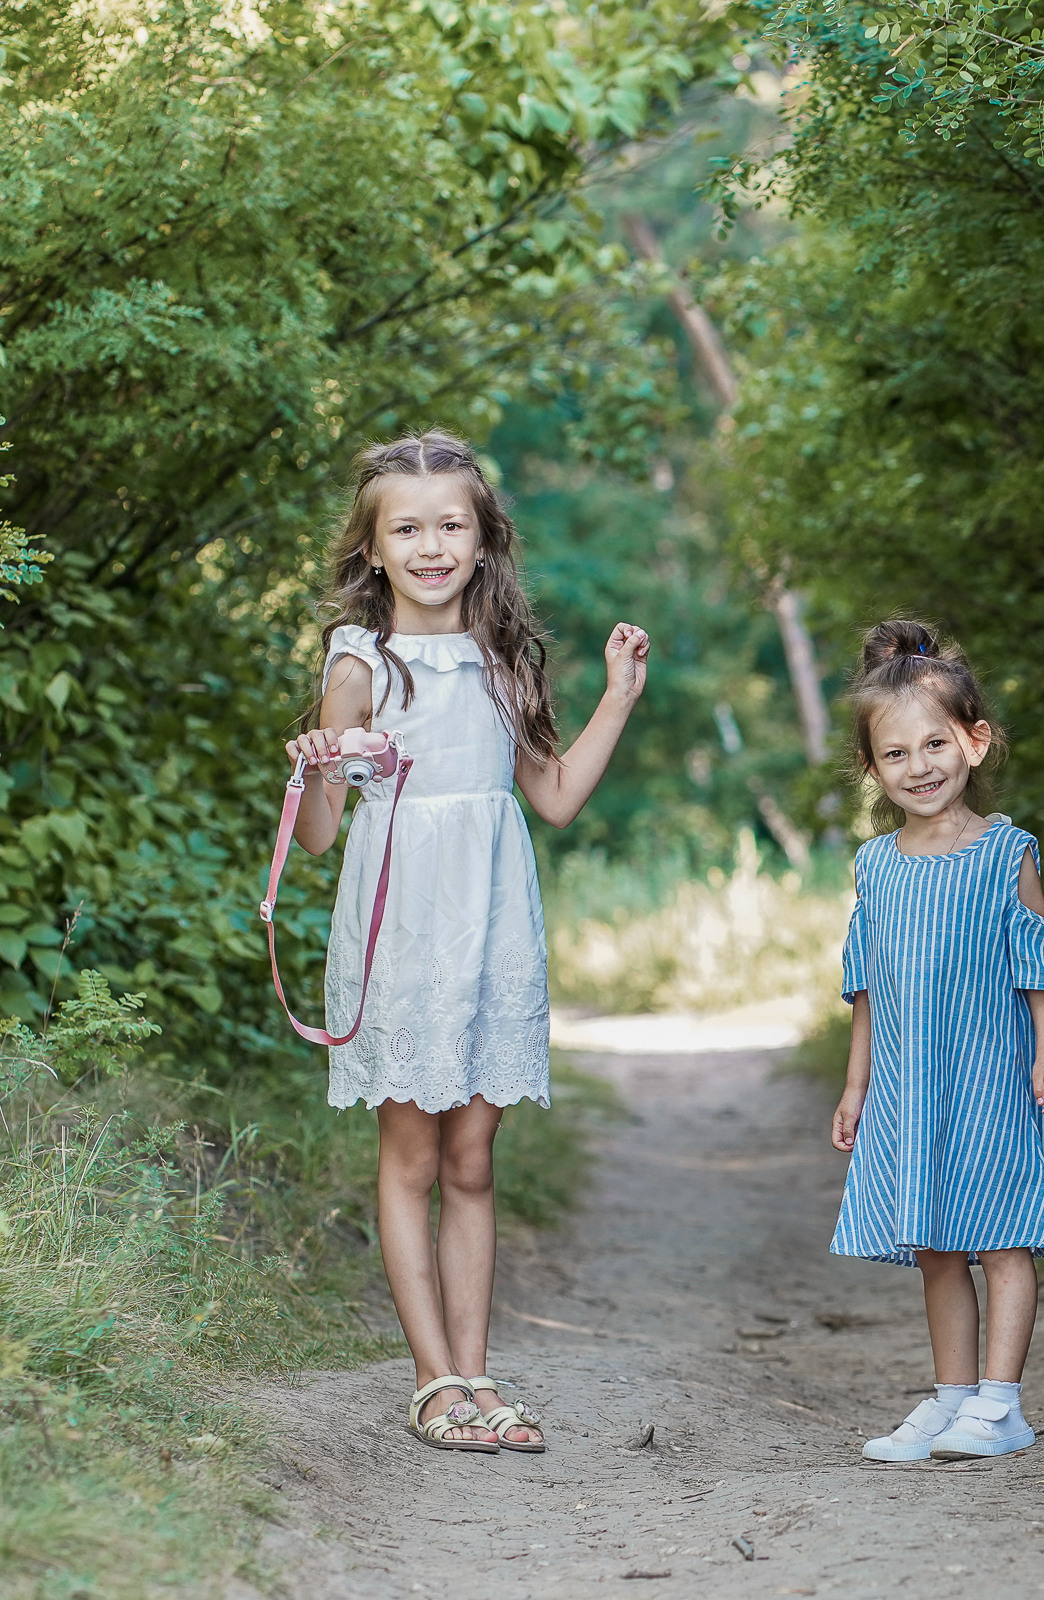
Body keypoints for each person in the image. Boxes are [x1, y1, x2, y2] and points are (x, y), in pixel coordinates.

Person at [283, 430, 649, 1454]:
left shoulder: (505, 662)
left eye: (452, 524)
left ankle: (480, 1371)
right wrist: (317, 762)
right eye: (408, 527)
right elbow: (318, 835)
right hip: (400, 927)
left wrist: (617, 698)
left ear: (485, 539)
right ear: (374, 549)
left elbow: (557, 797)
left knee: (475, 1155)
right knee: (410, 1151)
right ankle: (433, 1382)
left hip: (492, 926)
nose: (432, 544)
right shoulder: (359, 663)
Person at [827, 618, 1044, 1462]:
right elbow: (867, 987)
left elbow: (1041, 959)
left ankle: (1002, 1407)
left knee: (1001, 1235)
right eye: (896, 755)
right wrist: (857, 1086)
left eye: (935, 744)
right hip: (911, 1085)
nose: (919, 767)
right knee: (937, 1245)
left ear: (974, 742)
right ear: (872, 768)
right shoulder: (877, 866)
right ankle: (951, 1400)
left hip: (994, 1078)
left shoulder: (1006, 852)